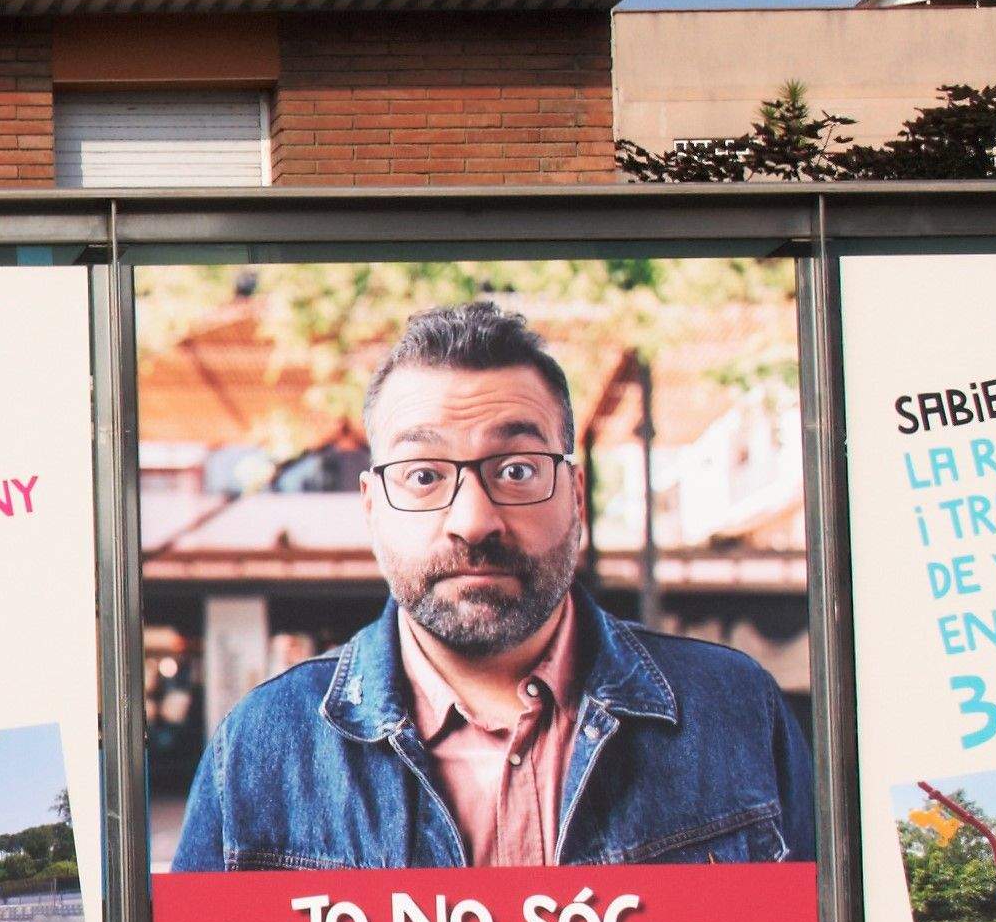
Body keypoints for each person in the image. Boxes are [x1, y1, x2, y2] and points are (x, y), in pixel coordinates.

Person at [173, 297, 815, 872]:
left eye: (515, 469)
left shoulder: (736, 712)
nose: (474, 521)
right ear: (371, 507)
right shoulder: (259, 748)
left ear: (577, 494)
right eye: (424, 476)